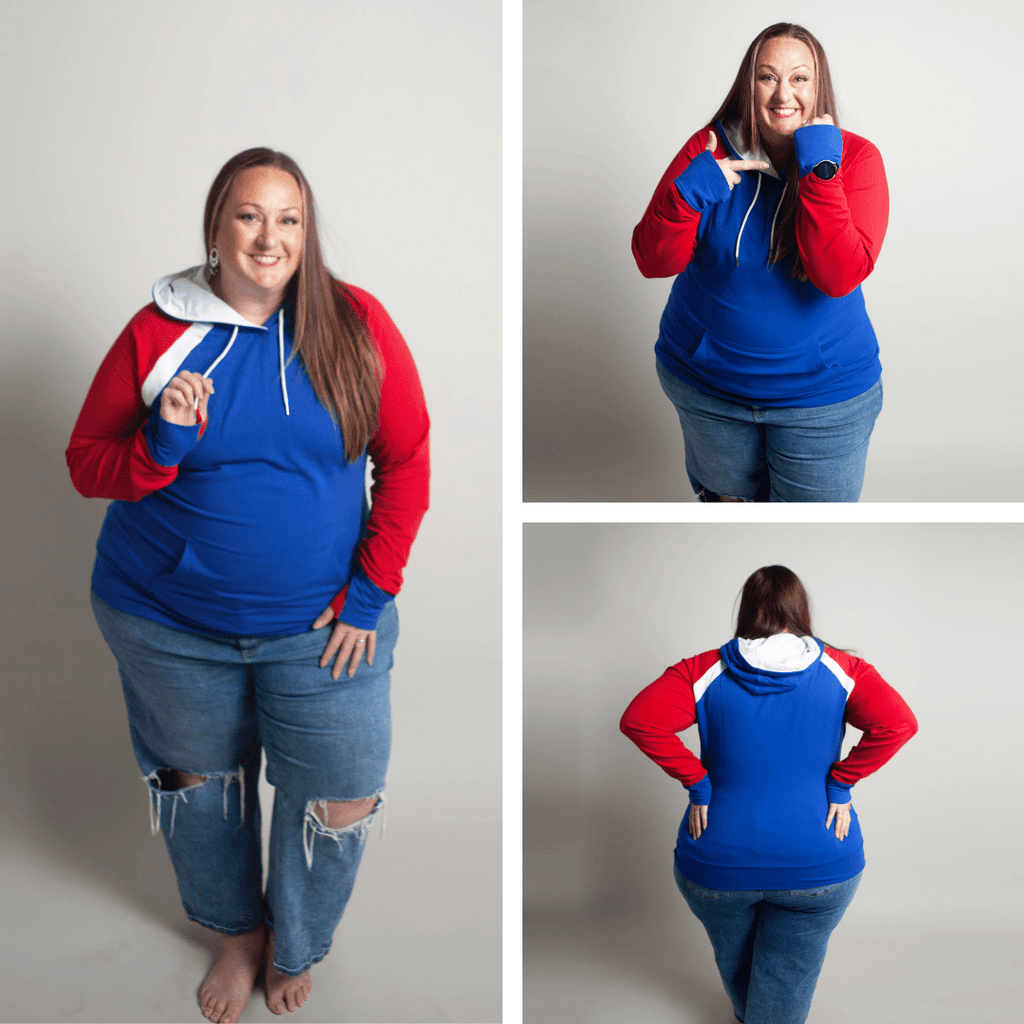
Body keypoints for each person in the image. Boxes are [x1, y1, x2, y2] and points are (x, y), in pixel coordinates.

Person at [66, 148, 430, 1024]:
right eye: (249, 215)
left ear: (306, 235)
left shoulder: (356, 324)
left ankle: (295, 942)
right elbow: (88, 465)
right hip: (167, 620)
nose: (269, 237)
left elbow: (406, 459)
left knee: (339, 797)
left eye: (289, 219)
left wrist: (370, 596)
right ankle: (235, 936)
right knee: (199, 789)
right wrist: (161, 441)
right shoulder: (160, 331)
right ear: (216, 228)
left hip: (323, 626)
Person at [619, 566, 917, 1024]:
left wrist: (699, 784)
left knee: (737, 963)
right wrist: (841, 783)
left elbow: (640, 719)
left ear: (746, 611)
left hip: (717, 861)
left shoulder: (702, 670)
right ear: (801, 611)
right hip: (818, 860)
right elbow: (898, 724)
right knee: (784, 979)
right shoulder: (845, 670)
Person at [632, 23, 889, 502]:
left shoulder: (855, 159)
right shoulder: (707, 148)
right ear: (747, 85)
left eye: (799, 79)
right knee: (727, 515)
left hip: (823, 402)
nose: (783, 94)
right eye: (767, 77)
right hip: (707, 389)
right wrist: (692, 192)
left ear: (819, 87)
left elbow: (838, 276)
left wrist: (819, 169)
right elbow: (652, 259)